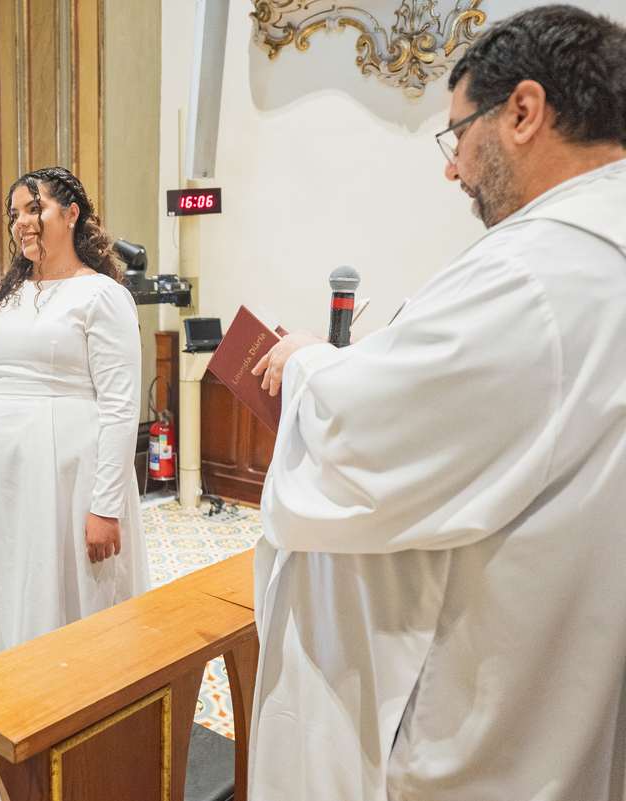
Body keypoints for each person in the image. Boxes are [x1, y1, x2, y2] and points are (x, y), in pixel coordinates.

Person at [248, 7, 626, 799]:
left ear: (523, 112)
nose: (451, 169)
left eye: (456, 135)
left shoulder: (535, 273)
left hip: (484, 723)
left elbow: (363, 443)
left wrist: (311, 362)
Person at [0, 167, 149, 801]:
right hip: (10, 477)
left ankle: (85, 767)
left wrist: (106, 505)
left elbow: (118, 404)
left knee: (72, 602)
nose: (22, 221)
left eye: (35, 207)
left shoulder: (102, 296)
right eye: (15, 211)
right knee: (9, 593)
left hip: (75, 473)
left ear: (71, 212)